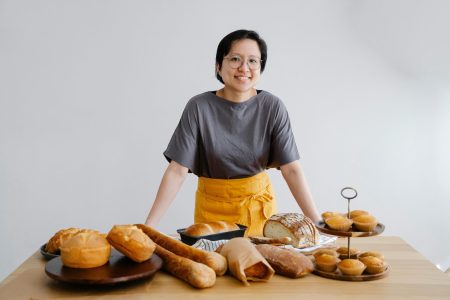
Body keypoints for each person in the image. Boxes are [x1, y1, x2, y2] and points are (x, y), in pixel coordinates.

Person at [145, 29, 320, 236]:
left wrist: (317, 222)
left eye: (253, 61)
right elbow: (177, 171)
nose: (244, 68)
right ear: (219, 66)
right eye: (235, 59)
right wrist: (149, 227)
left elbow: (291, 169)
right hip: (210, 215)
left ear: (261, 67)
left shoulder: (272, 106)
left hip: (258, 215)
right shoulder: (199, 107)